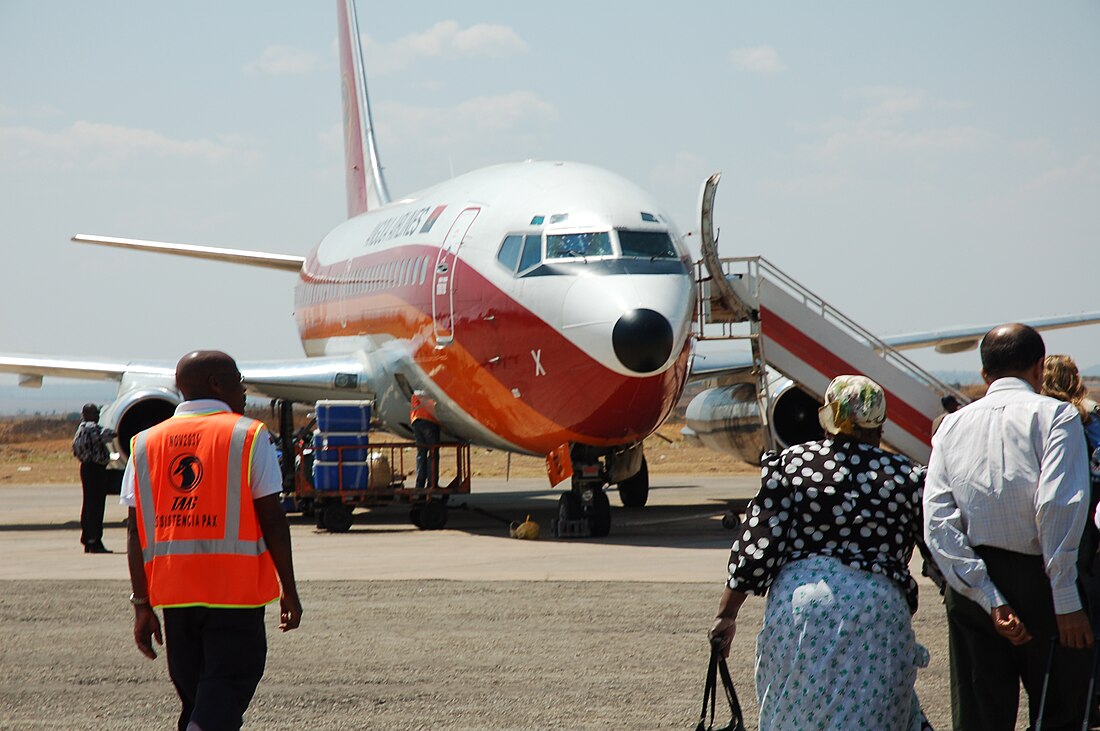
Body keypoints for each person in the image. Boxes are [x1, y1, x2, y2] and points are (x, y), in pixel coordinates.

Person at [709, 374, 931, 730]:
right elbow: (937, 550)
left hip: (800, 610)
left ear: (827, 418)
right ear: (880, 425)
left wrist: (727, 615)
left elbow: (758, 547)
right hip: (877, 613)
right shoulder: (905, 476)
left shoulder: (791, 466)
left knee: (795, 716)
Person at [121, 350, 302, 731]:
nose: (244, 389)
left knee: (199, 702)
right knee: (222, 693)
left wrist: (142, 604)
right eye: (238, 380)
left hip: (175, 598)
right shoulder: (248, 435)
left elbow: (135, 531)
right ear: (217, 384)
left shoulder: (144, 443)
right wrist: (289, 588)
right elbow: (272, 517)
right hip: (233, 596)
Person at [924, 324, 1093, 730]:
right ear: (1039, 368)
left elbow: (937, 520)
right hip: (1043, 581)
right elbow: (1057, 504)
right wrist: (1066, 598)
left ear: (985, 375)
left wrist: (987, 596)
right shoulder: (1057, 415)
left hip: (972, 587)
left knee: (980, 715)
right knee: (1059, 711)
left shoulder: (949, 425)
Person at [72, 402, 115, 553]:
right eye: (95, 413)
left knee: (88, 504)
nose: (97, 416)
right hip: (96, 469)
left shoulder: (80, 430)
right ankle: (95, 541)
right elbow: (109, 435)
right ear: (88, 414)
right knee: (96, 506)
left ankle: (88, 540)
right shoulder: (92, 428)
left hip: (86, 468)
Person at [410, 389, 440, 489]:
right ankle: (432, 483)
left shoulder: (415, 393)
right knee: (433, 453)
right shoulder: (428, 390)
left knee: (421, 453)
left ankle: (420, 484)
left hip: (416, 422)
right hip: (428, 422)